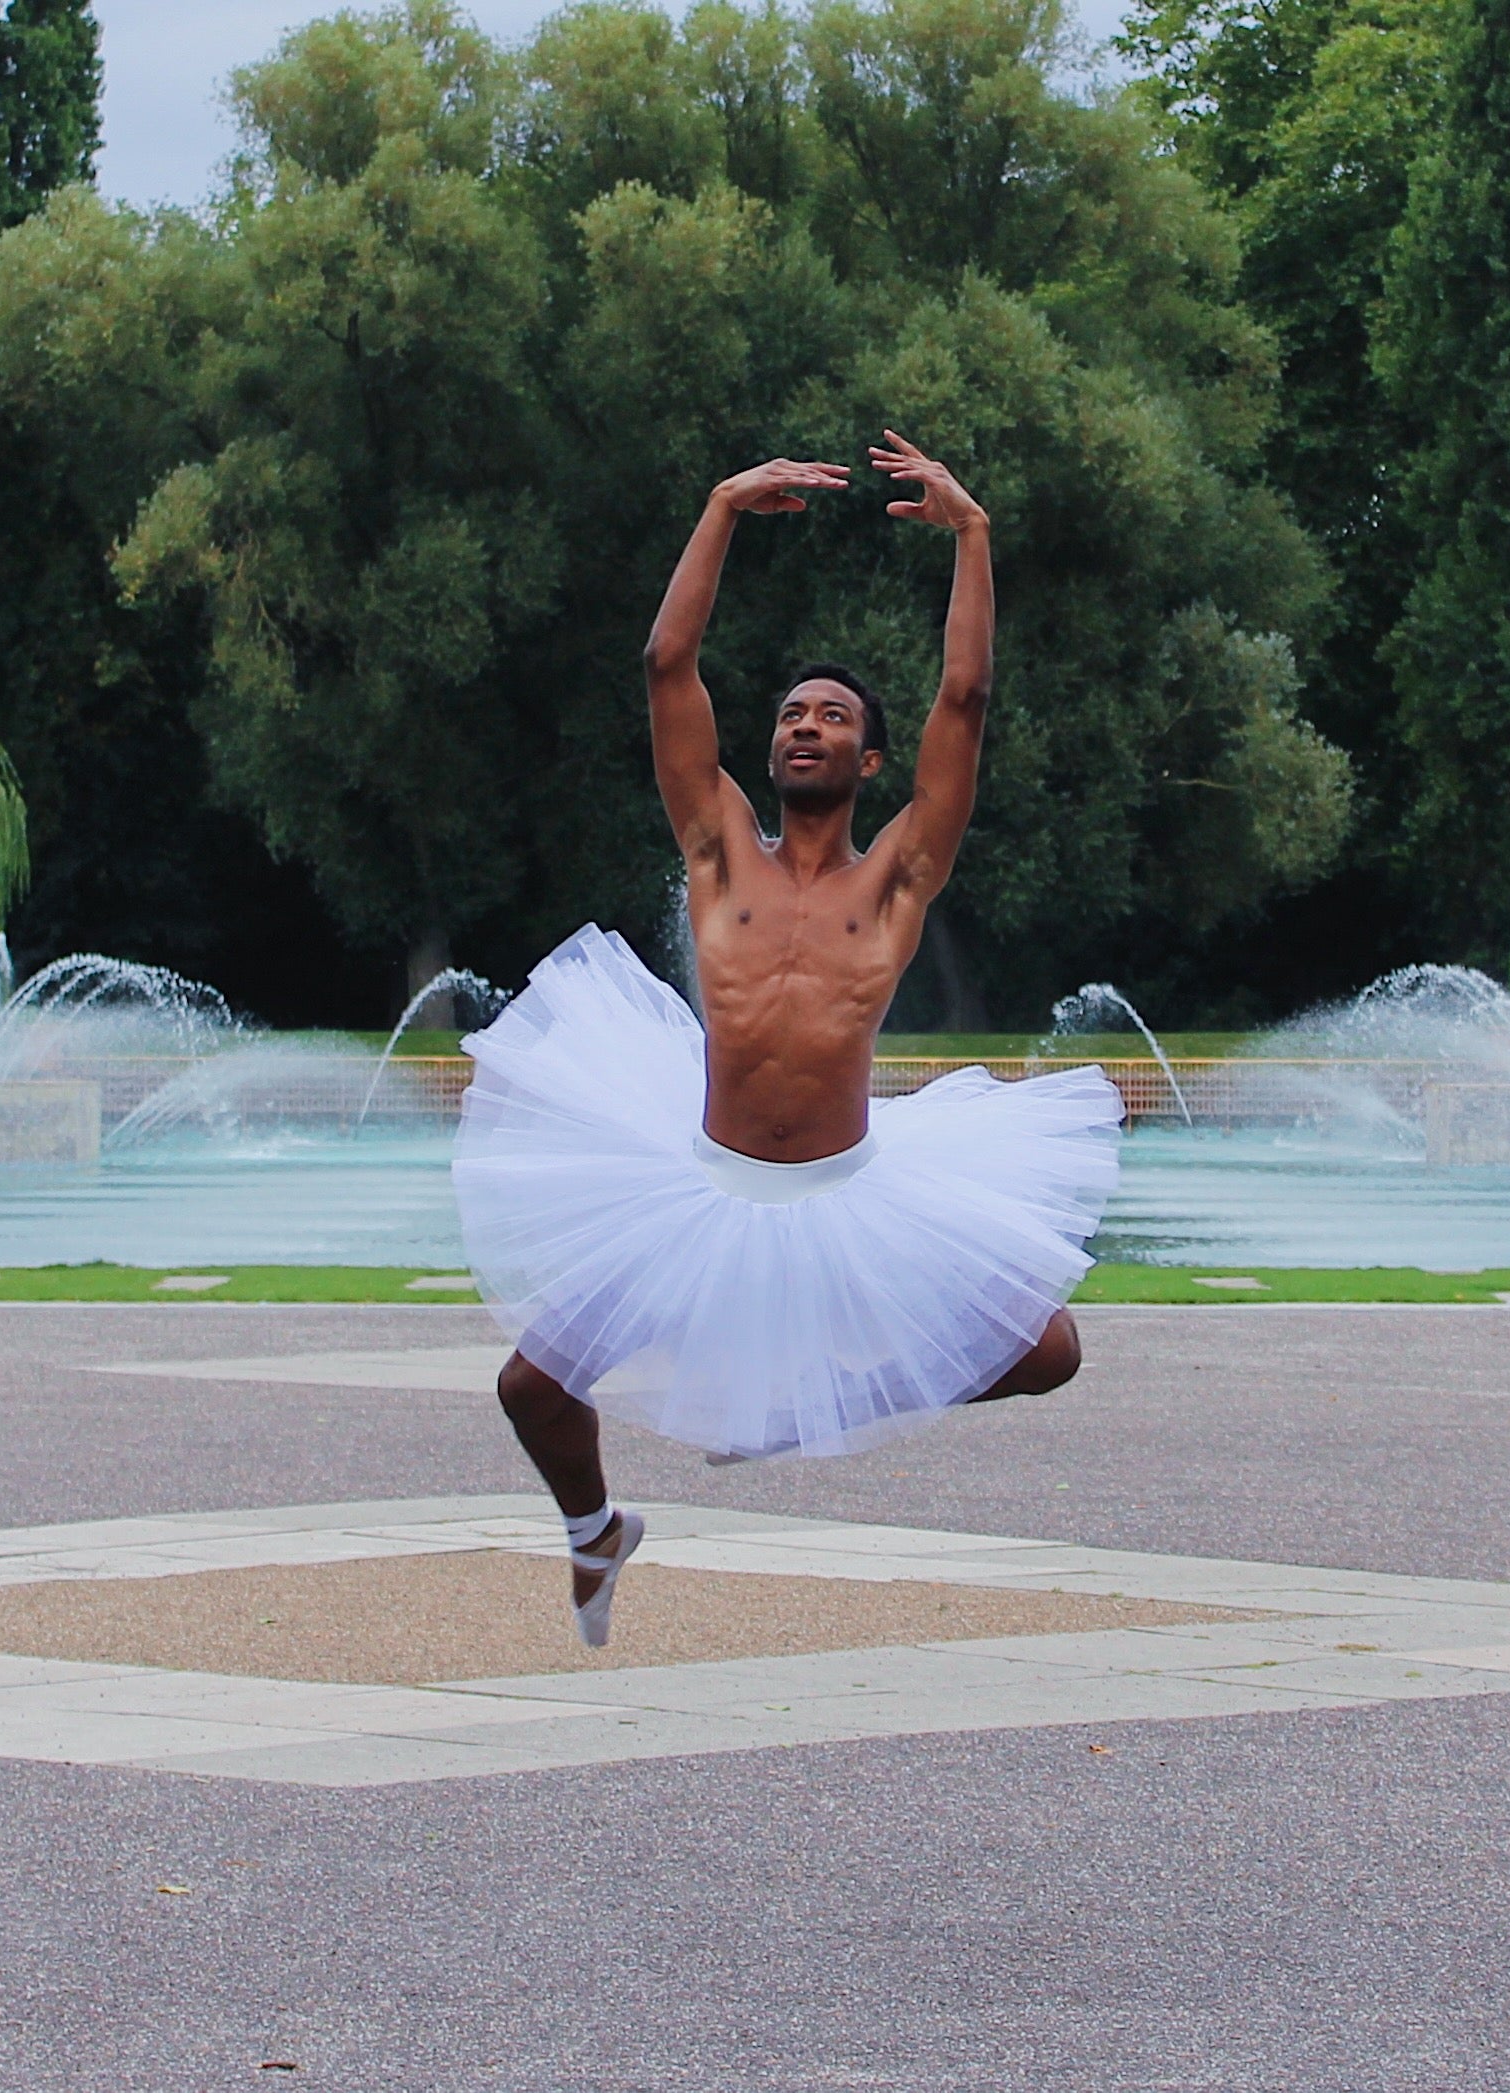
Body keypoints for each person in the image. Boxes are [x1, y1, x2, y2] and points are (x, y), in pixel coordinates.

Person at [453, 432, 1122, 1647]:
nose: (805, 727)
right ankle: (595, 1530)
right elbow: (667, 662)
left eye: (832, 716)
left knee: (1050, 1349)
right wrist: (720, 505)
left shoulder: (898, 876)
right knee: (529, 1385)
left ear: (871, 758)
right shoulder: (719, 851)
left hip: (852, 1186)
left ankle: (822, 1405)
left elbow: (965, 698)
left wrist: (972, 534)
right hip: (697, 1180)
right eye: (790, 715)